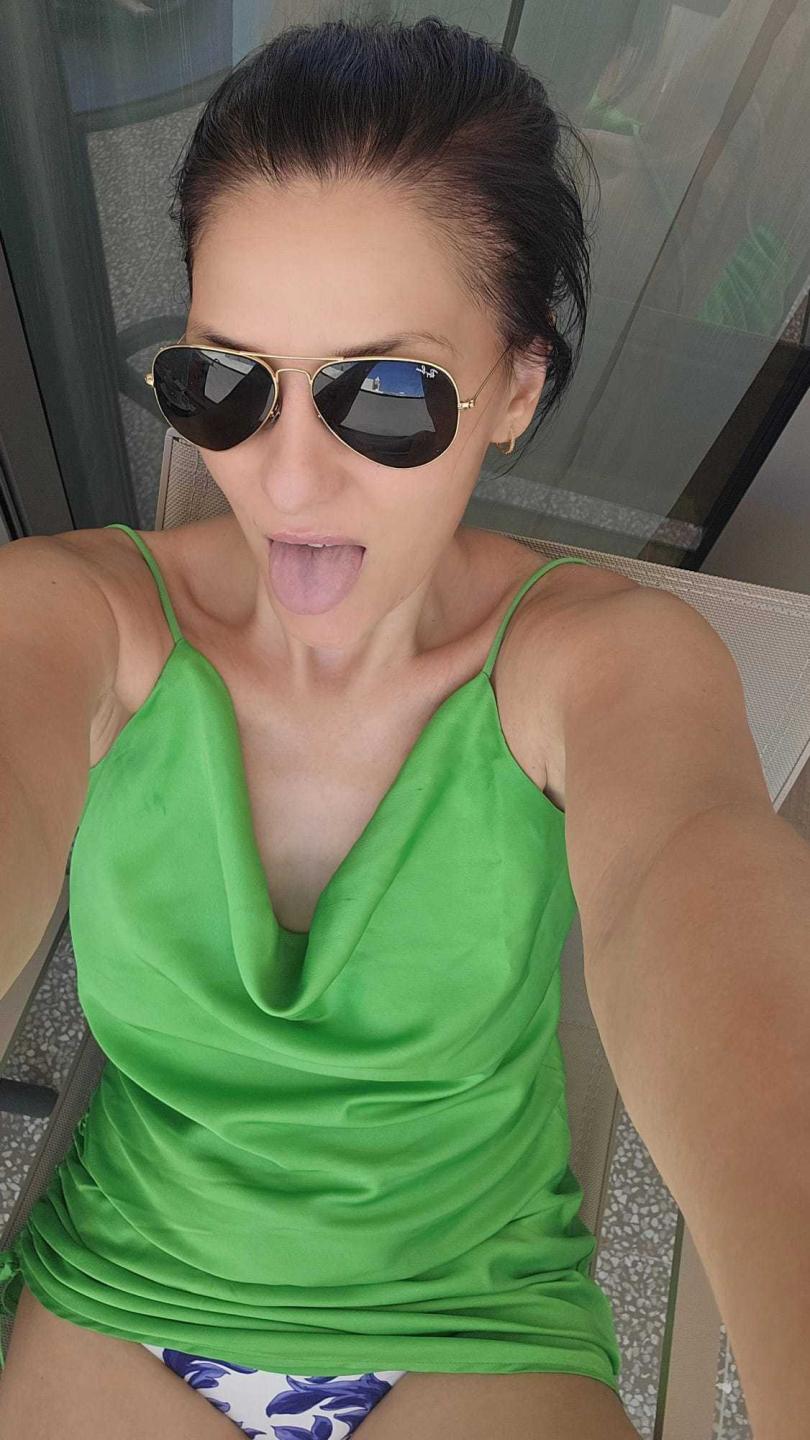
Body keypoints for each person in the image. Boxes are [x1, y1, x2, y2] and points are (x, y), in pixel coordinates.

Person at [0, 16, 657, 1438]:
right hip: (122, 1294)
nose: (287, 480)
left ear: (519, 388)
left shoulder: (600, 660)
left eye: (389, 392)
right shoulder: (76, 616)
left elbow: (714, 919)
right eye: (224, 382)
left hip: (472, 1320)